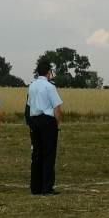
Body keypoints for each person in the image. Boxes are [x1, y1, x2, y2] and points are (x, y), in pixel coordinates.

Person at [27, 61, 63, 195]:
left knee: (36, 153)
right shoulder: (50, 86)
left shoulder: (31, 86)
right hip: (47, 121)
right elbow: (57, 107)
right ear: (48, 72)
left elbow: (30, 104)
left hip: (34, 120)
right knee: (48, 154)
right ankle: (46, 187)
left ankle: (35, 187)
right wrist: (58, 123)